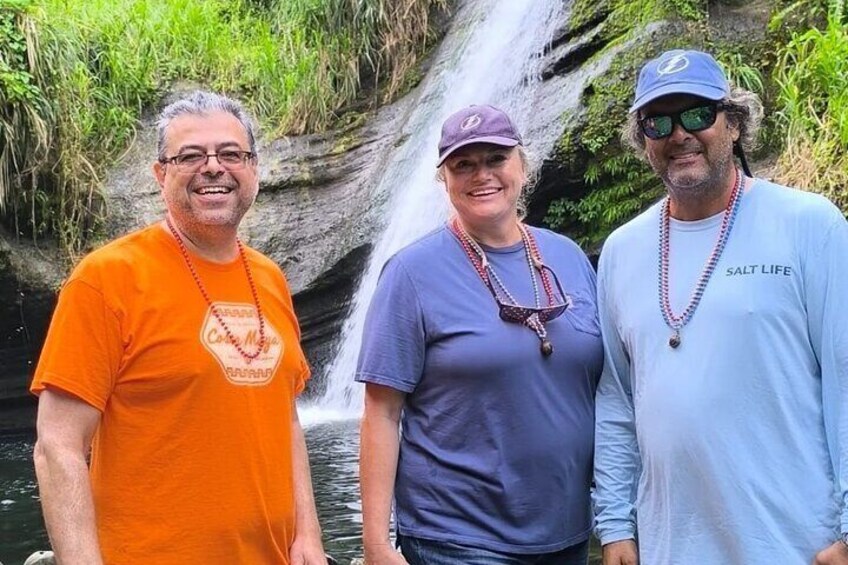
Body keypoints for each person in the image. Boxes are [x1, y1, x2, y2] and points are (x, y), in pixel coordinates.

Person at [30, 91, 327, 564]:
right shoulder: (106, 278)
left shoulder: (270, 278)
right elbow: (57, 447)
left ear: (253, 167)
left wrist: (307, 535)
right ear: (160, 173)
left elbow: (284, 417)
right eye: (190, 155)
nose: (214, 167)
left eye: (231, 153)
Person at [593, 49, 848, 565]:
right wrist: (616, 523)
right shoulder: (621, 249)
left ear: (733, 124)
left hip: (796, 543)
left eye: (697, 114)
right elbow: (618, 399)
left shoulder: (809, 224)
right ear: (643, 140)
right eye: (658, 121)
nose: (679, 134)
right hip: (670, 544)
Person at [357, 104, 603, 565]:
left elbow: (606, 394)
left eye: (495, 158)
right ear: (443, 180)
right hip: (456, 538)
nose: (481, 174)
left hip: (566, 531)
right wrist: (375, 544)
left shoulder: (568, 257)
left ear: (523, 167)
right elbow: (381, 412)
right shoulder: (411, 273)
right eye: (463, 164)